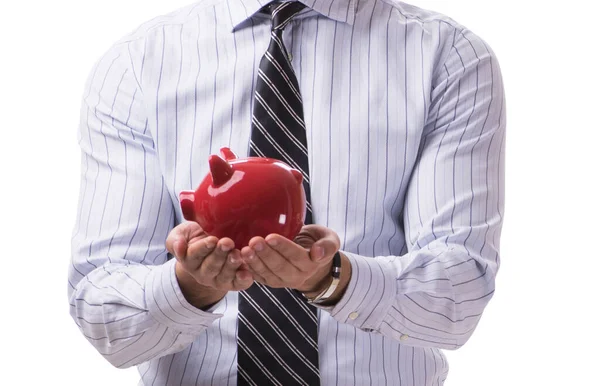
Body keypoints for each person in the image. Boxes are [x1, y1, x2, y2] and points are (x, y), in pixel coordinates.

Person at [68, 0, 505, 384]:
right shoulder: (136, 66)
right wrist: (190, 288)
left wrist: (332, 279)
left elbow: (459, 298)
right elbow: (103, 318)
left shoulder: (449, 58)